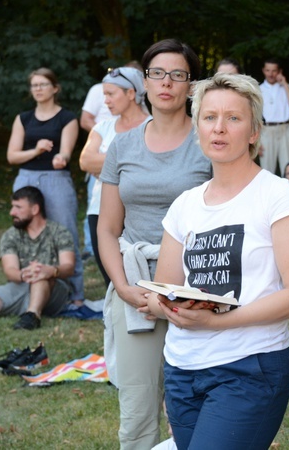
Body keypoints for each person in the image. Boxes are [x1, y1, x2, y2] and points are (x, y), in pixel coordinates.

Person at [147, 73, 289, 448]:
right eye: (209, 118)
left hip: (248, 368)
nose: (219, 128)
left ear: (254, 132)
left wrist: (216, 320)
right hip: (182, 368)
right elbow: (164, 290)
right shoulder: (184, 205)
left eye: (233, 118)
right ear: (197, 127)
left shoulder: (277, 196)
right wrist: (167, 305)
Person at [97, 39, 212, 449]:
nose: (167, 82)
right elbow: (108, 228)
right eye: (157, 73)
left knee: (197, 412)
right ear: (144, 81)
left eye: (178, 75)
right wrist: (125, 289)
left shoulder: (210, 144)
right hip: (135, 286)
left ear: (191, 85)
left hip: (197, 289)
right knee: (138, 413)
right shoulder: (122, 145)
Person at [6, 67, 84, 305]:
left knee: (66, 231)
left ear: (55, 88)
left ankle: (76, 295)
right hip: (26, 178)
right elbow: (12, 156)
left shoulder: (67, 118)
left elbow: (66, 154)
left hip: (55, 179)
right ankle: (23, 286)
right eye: (34, 85)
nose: (37, 89)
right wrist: (37, 150)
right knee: (24, 231)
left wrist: (61, 158)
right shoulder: (23, 118)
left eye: (43, 84)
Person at [0, 187, 73, 330]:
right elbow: (10, 270)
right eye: (13, 207)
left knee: (40, 277)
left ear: (35, 209)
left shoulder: (58, 231)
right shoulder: (10, 235)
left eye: (18, 207)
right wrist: (22, 274)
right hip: (19, 286)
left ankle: (32, 316)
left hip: (53, 291)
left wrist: (51, 271)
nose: (12, 212)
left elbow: (69, 266)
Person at [79, 66, 150, 285]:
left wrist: (106, 163)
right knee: (112, 281)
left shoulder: (153, 127)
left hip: (139, 213)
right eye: (104, 95)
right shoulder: (103, 127)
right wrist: (133, 161)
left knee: (140, 278)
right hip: (99, 212)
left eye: (110, 94)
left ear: (131, 94)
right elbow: (85, 161)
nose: (106, 101)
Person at [258, 57, 289, 174]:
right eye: (267, 70)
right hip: (266, 131)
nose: (271, 74)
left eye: (274, 70)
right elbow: (254, 116)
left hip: (285, 129)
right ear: (263, 70)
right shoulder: (258, 90)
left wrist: (284, 83)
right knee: (267, 169)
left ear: (279, 71)